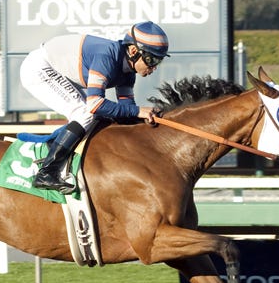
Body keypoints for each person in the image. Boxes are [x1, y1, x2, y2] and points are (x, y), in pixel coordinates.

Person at [19, 21, 170, 194]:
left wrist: (145, 119)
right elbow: (95, 104)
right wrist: (138, 111)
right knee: (85, 113)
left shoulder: (128, 74)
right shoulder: (107, 57)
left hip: (54, 69)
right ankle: (47, 172)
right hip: (39, 68)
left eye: (159, 61)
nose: (154, 67)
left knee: (100, 117)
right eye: (152, 59)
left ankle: (57, 146)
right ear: (134, 51)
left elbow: (126, 114)